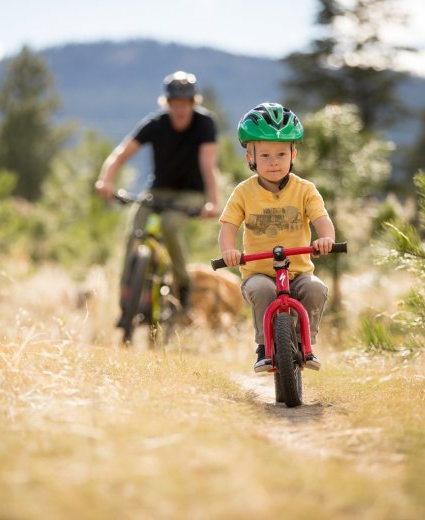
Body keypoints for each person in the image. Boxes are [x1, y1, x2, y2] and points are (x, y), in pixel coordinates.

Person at [95, 70, 221, 322]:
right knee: (134, 234)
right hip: (157, 190)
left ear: (193, 103)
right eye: (175, 104)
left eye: (185, 103)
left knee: (169, 226)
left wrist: (214, 202)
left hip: (191, 194)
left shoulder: (205, 124)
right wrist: (105, 180)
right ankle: (126, 305)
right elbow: (121, 154)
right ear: (167, 103)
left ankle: (183, 285)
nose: (180, 109)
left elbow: (208, 164)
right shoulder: (156, 124)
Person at [218, 102, 335, 372]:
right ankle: (263, 347)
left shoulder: (305, 190)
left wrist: (325, 239)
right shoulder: (243, 192)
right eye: (266, 155)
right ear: (251, 158)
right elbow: (228, 227)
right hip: (259, 272)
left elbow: (321, 220)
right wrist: (229, 251)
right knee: (263, 290)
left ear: (293, 154)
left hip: (299, 271)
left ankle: (306, 344)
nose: (274, 162)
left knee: (316, 288)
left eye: (281, 154)